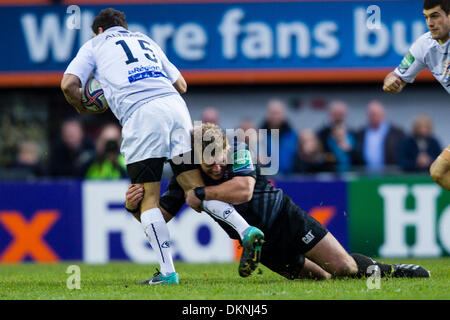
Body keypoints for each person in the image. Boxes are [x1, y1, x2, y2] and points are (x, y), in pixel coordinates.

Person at [61, 8, 263, 285]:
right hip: (176, 108)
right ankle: (247, 230)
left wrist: (84, 106)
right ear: (125, 27)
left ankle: (168, 272)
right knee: (195, 190)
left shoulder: (95, 45)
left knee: (147, 199)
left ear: (98, 30)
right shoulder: (145, 40)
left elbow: (68, 84)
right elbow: (181, 84)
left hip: (142, 115)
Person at [126, 123, 430, 281]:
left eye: (218, 161)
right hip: (263, 246)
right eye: (208, 167)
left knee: (344, 269)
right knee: (322, 279)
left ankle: (391, 271)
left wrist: (202, 194)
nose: (216, 168)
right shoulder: (188, 176)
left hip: (284, 218)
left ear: (224, 148)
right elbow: (160, 218)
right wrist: (136, 208)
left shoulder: (238, 150)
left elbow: (244, 190)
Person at [383, 0, 450, 189]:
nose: (429, 23)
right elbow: (396, 75)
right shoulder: (424, 45)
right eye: (426, 17)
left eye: (435, 16)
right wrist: (391, 82)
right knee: (438, 172)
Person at [354, 100, 405, 173]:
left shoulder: (397, 133)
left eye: (375, 114)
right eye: (371, 115)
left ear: (383, 114)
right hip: (365, 174)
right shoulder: (360, 133)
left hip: (390, 174)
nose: (373, 117)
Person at [259, 99, 298, 175]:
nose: (275, 117)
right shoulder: (259, 136)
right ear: (267, 114)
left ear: (283, 114)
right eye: (273, 113)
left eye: (278, 113)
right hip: (267, 179)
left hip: (291, 179)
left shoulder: (293, 136)